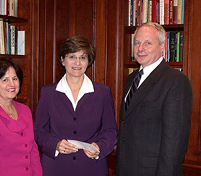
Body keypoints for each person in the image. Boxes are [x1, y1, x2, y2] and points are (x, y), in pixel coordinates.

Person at [116, 22, 193, 176]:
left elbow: (174, 142)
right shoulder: (131, 79)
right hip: (125, 168)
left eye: (148, 43)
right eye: (137, 43)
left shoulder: (175, 81)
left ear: (162, 46)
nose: (140, 48)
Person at [34, 35, 118, 176]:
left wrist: (100, 147)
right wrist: (55, 145)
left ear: (89, 61)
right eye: (72, 57)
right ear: (62, 60)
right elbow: (39, 131)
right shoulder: (48, 93)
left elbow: (110, 130)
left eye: (83, 57)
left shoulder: (102, 92)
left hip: (92, 168)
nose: (77, 62)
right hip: (56, 168)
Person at [0, 57, 42, 176]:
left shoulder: (25, 110)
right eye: (5, 80)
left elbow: (33, 153)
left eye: (14, 79)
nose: (12, 84)